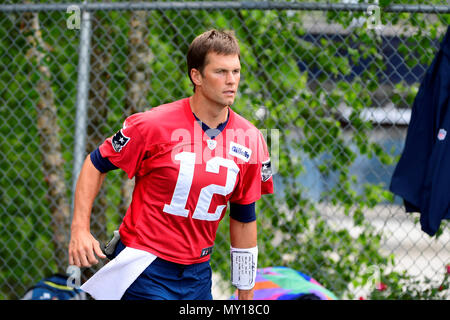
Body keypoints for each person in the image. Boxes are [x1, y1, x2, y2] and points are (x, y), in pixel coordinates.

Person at [68, 29, 274, 300]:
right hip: (145, 266)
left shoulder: (251, 140)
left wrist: (245, 293)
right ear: (196, 76)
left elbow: (244, 218)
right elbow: (96, 163)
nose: (231, 81)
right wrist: (79, 229)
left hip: (198, 274)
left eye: (236, 72)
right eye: (221, 72)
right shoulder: (153, 125)